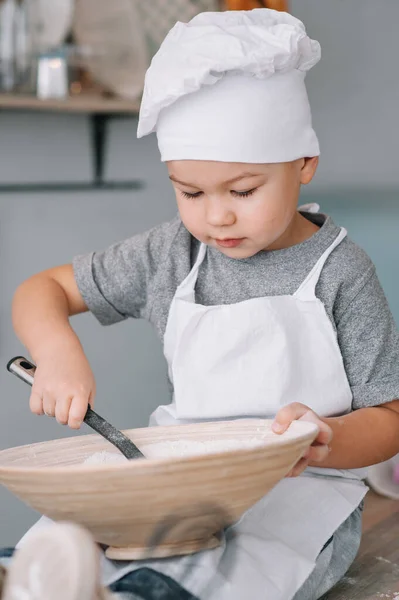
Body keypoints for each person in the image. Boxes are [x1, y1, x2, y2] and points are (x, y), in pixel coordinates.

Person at [2, 8, 399, 600]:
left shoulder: (340, 270)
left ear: (303, 165)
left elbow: (389, 418)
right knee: (69, 538)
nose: (216, 216)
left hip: (295, 493)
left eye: (243, 190)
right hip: (177, 474)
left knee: (202, 572)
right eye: (189, 191)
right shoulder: (175, 252)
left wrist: (330, 439)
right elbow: (43, 290)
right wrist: (56, 350)